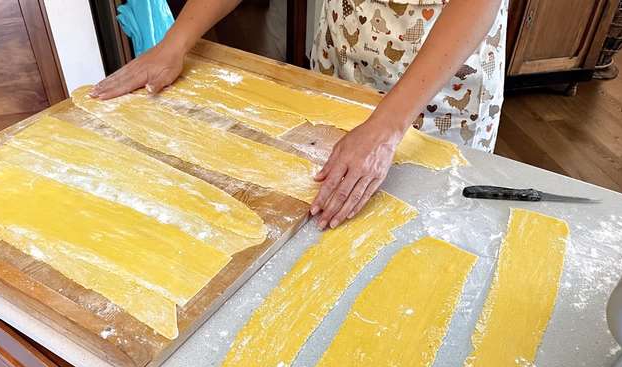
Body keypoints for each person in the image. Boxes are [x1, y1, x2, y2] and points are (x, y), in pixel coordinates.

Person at [92, 0, 506, 229]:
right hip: (345, 49)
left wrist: (386, 127)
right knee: (326, 214)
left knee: (426, 226)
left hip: (438, 78)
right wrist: (175, 43)